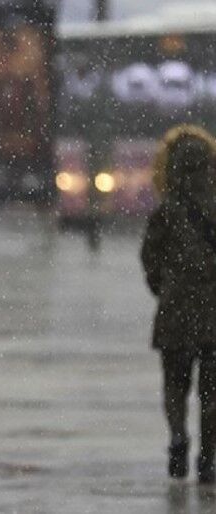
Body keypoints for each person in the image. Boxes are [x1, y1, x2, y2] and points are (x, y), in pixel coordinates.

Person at [141, 124, 216, 483]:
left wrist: (165, 288)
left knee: (175, 384)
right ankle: (208, 458)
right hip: (214, 313)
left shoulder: (167, 210)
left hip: (176, 311)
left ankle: (177, 436)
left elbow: (149, 258)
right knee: (212, 392)